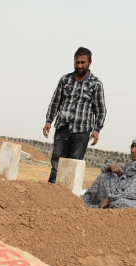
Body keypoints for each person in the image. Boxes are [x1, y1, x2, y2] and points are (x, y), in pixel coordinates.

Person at [43, 47, 107, 184]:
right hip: (62, 128)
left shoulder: (96, 84)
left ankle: (67, 198)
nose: (79, 65)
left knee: (74, 165)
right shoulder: (65, 80)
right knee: (56, 164)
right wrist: (49, 121)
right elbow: (55, 102)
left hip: (81, 131)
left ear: (90, 62)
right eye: (77, 62)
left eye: (83, 62)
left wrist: (96, 130)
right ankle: (49, 195)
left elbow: (100, 110)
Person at [82, 136, 136, 210]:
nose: (133, 150)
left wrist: (109, 199)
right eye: (132, 146)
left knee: (118, 203)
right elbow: (104, 168)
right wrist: (110, 166)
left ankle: (103, 208)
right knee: (106, 176)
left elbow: (133, 193)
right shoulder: (130, 166)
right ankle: (86, 201)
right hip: (120, 195)